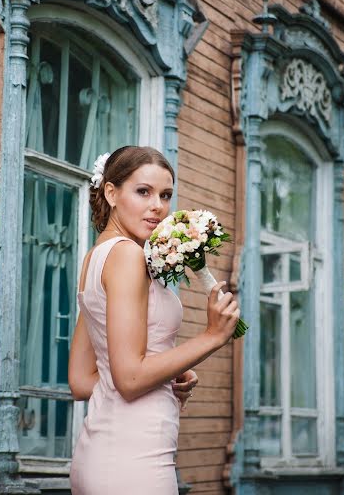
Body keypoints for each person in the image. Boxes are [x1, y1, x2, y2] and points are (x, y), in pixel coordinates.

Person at [68, 145, 240, 495]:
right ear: (112, 193)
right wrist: (211, 337)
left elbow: (81, 380)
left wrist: (166, 371)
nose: (158, 206)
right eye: (143, 192)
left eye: (165, 195)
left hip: (101, 457)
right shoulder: (128, 256)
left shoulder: (95, 258)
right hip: (135, 463)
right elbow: (130, 379)